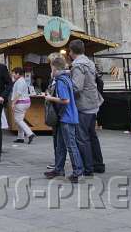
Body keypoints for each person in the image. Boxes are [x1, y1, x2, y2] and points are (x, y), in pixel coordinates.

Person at [44, 53, 83, 182]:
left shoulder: (61, 81)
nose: (51, 71)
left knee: (71, 146)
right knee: (60, 146)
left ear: (55, 69)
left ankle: (77, 172)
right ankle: (58, 169)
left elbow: (65, 100)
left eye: (51, 68)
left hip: (67, 118)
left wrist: (50, 98)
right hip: (65, 117)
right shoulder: (66, 78)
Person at [68, 39, 105, 175]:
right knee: (92, 136)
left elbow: (77, 87)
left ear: (71, 52)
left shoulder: (78, 65)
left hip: (83, 105)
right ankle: (98, 164)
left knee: (82, 138)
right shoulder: (89, 62)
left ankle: (88, 168)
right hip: (93, 103)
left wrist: (66, 82)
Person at [10, 67, 35, 144]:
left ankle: (30, 134)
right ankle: (20, 137)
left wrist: (13, 103)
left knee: (18, 120)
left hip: (20, 103)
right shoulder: (21, 80)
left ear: (17, 74)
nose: (12, 75)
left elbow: (18, 94)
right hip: (25, 102)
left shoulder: (20, 82)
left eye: (13, 73)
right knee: (20, 119)